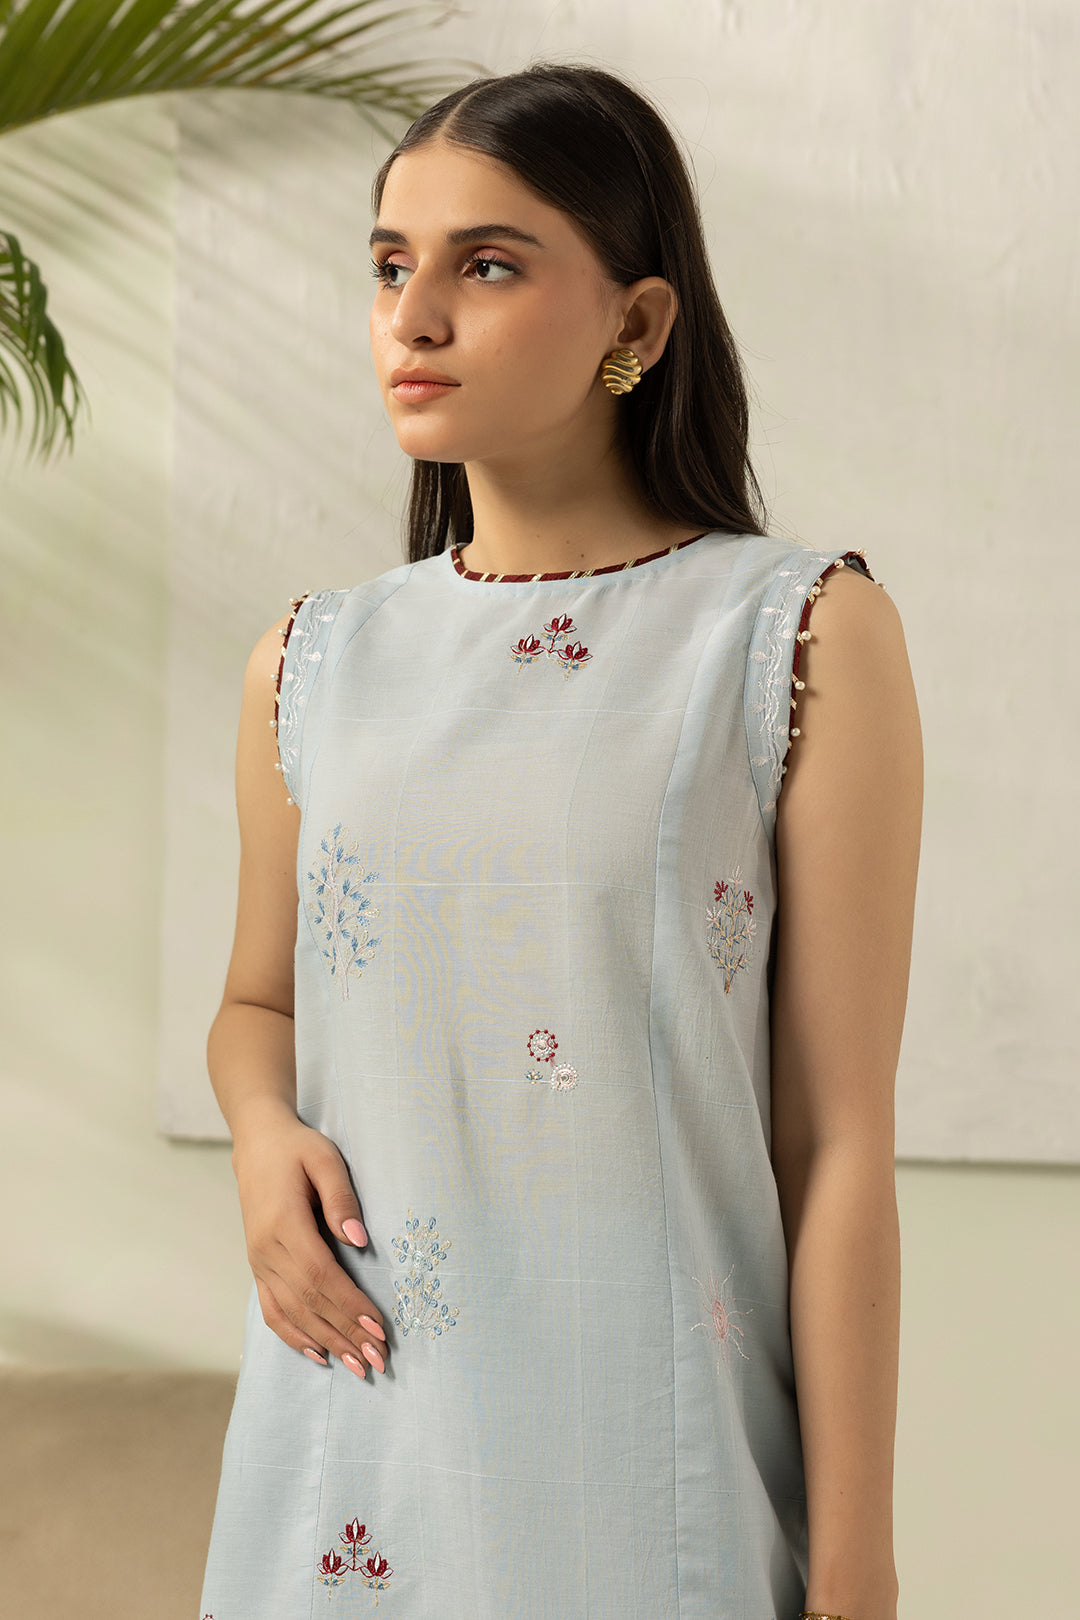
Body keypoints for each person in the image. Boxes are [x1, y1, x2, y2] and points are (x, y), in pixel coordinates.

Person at [199, 61, 921, 1620]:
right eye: (389, 265)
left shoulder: (795, 636)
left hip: (646, 1474)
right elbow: (258, 1004)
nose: (413, 317)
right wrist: (261, 1141)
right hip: (351, 1451)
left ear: (635, 324)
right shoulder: (310, 662)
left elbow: (838, 1145)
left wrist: (857, 1566)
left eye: (487, 265)